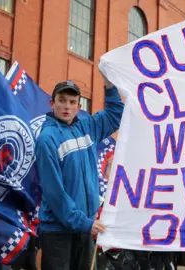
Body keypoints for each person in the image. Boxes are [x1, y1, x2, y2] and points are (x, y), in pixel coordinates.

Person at [36, 76, 124, 270]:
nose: (67, 106)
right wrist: (83, 223)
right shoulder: (46, 139)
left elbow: (116, 114)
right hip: (58, 232)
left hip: (85, 228)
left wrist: (110, 85)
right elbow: (54, 194)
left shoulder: (87, 127)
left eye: (72, 102)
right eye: (62, 100)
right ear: (52, 103)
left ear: (79, 106)